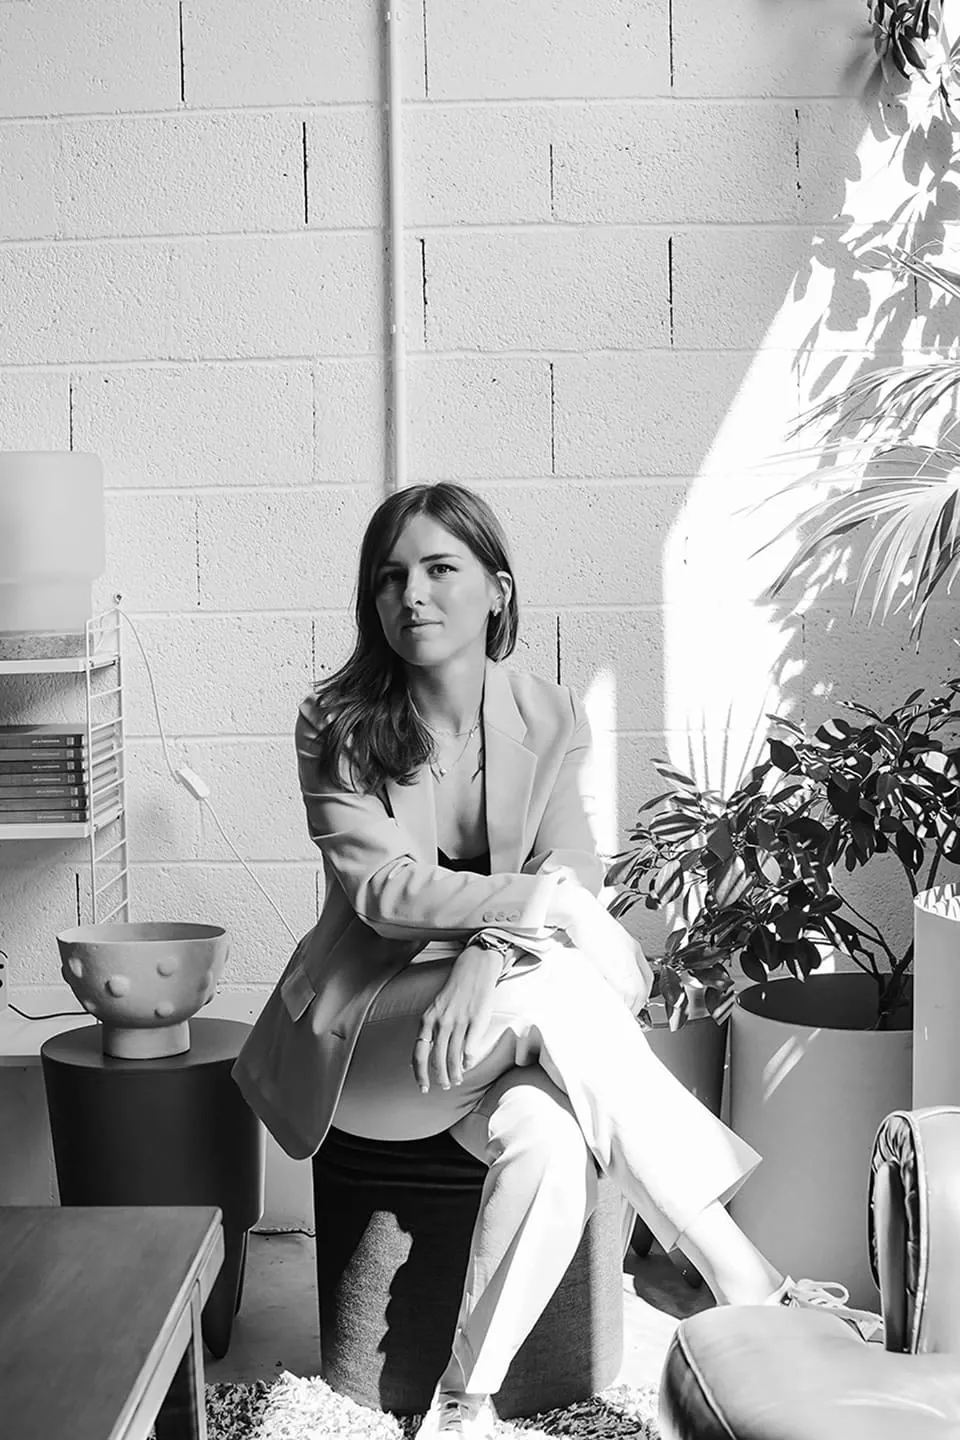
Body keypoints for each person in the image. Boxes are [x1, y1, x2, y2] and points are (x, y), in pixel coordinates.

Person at [232, 482, 881, 1439]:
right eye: (391, 577)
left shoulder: (548, 715)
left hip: (491, 1028)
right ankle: (738, 1276)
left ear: (497, 589)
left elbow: (570, 861)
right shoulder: (335, 725)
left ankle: (466, 1401)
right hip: (367, 1045)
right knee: (574, 977)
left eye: (440, 568)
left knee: (547, 1134)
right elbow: (387, 893)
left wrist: (492, 955)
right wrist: (547, 907)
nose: (412, 593)